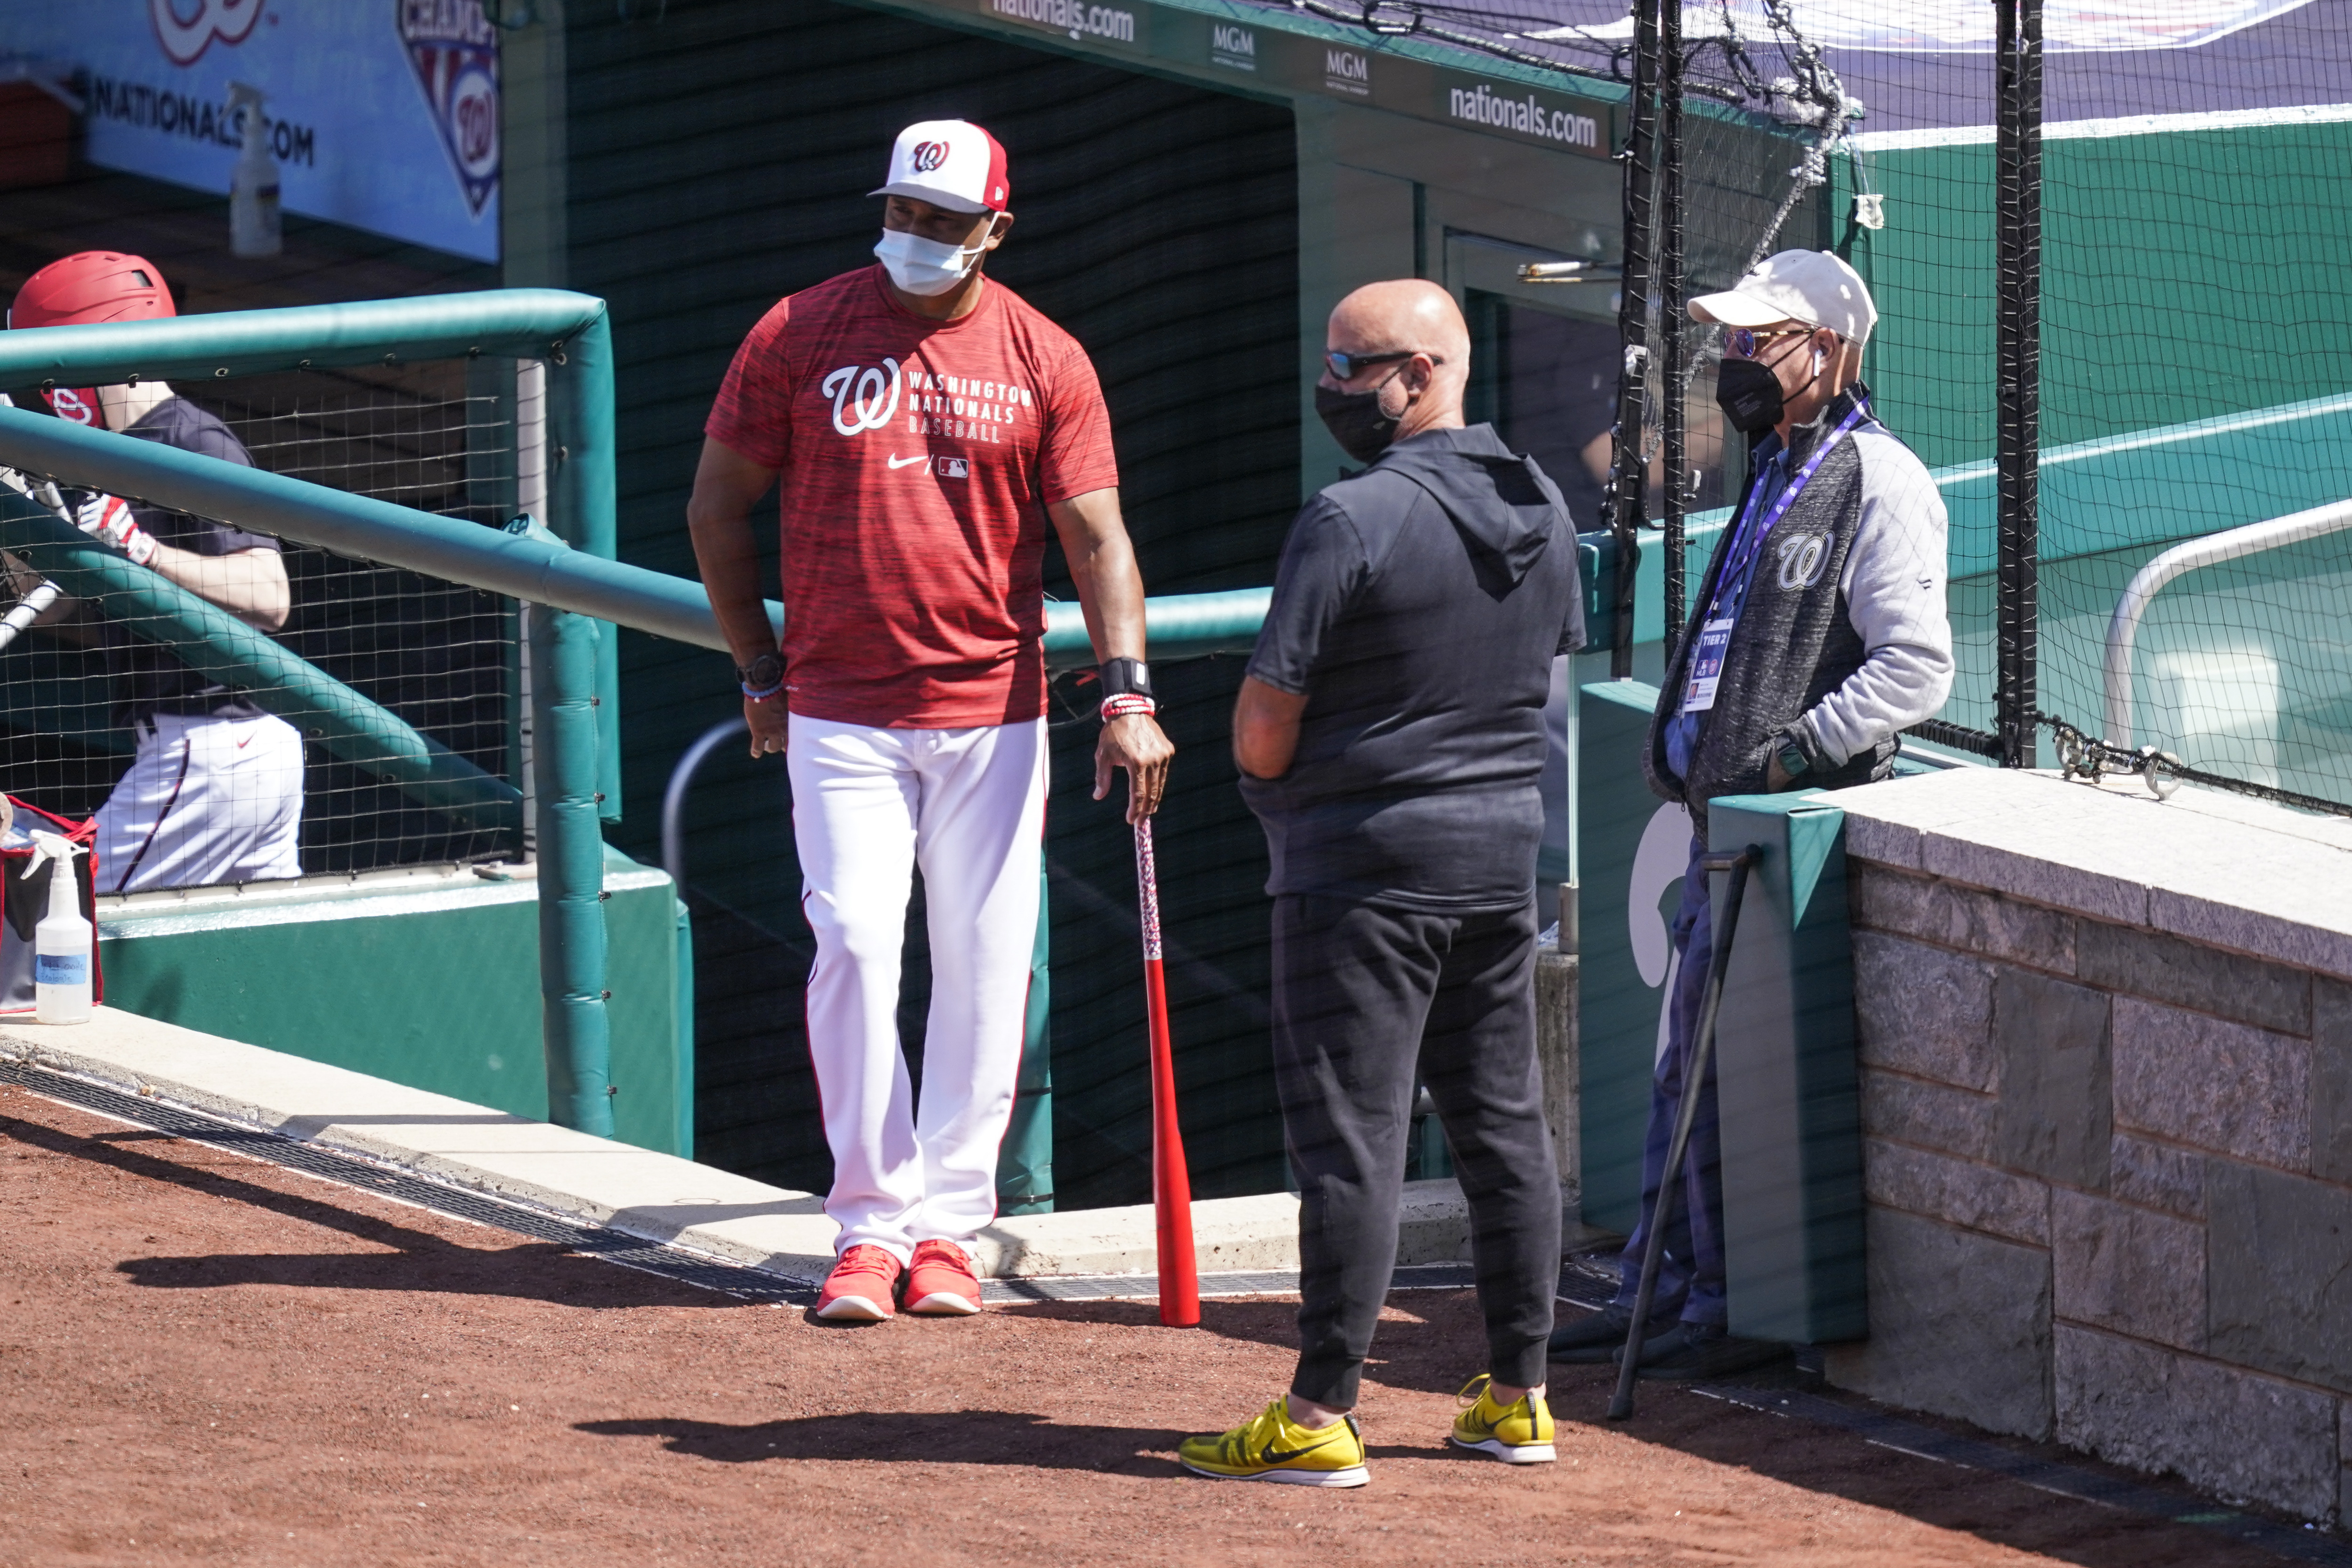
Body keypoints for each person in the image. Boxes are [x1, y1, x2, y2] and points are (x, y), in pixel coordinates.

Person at [686, 120, 1173, 1322]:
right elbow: (715, 505)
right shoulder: (798, 330)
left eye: (945, 222)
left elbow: (1100, 538)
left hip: (995, 709)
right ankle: (866, 1224)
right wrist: (759, 666)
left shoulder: (1047, 356)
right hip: (840, 707)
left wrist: (1128, 693)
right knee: (852, 945)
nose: (916, 236)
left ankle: (951, 1224)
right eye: (904, 211)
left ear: (995, 231)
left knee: (986, 968)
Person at [1181, 280, 1584, 1487]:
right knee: (1504, 1126)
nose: (1333, 389)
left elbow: (1263, 728)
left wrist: (1286, 790)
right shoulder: (1545, 503)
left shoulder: (1349, 519)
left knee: (1350, 1143)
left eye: (1352, 370)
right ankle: (1519, 1399)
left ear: (1422, 373)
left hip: (1359, 871)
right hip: (1498, 859)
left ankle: (1318, 1416)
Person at [1550, 249, 1953, 1378]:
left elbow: (1917, 670)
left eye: (1757, 339)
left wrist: (1793, 757)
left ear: (1829, 351)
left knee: (1725, 1076)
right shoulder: (1777, 465)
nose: (1733, 360)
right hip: (1721, 817)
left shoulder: (1881, 477)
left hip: (1790, 833)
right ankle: (1665, 1287)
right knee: (1689, 1067)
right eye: (1728, 341)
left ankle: (1716, 1307)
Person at [4, 251, 299, 893]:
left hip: (212, 743)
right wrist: (14, 523)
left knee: (67, 909)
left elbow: (269, 595)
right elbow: (51, 606)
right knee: (243, 954)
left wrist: (147, 551)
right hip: (223, 751)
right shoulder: (99, 449)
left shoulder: (195, 442)